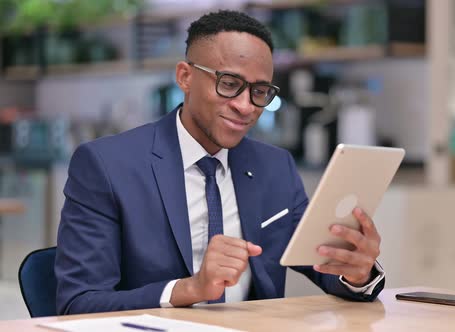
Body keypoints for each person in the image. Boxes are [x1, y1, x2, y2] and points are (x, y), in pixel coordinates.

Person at [55, 10, 385, 315]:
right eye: (229, 84)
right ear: (185, 77)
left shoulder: (275, 167)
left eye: (260, 92)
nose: (245, 106)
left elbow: (325, 267)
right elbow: (78, 304)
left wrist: (356, 272)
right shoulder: (106, 165)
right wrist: (190, 288)